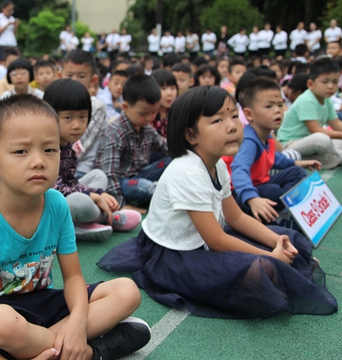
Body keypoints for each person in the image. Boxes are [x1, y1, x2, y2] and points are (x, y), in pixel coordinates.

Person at [97, 85, 338, 319]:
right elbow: (217, 240)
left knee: (289, 237)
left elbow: (236, 217)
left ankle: (277, 269)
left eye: (234, 116)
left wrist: (275, 241)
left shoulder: (217, 163)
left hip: (207, 241)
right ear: (191, 134)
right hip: (176, 255)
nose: (233, 126)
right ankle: (274, 273)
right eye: (217, 121)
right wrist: (271, 257)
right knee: (262, 268)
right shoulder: (187, 171)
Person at [0, 93, 151, 360]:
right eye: (21, 151)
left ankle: (46, 350)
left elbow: (74, 277)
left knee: (127, 291)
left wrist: (77, 320)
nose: (39, 160)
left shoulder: (56, 204)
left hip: (43, 304)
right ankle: (89, 353)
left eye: (50, 149)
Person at [43, 79, 142, 242]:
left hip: (62, 197)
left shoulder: (68, 145)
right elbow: (52, 189)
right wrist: (91, 195)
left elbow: (70, 182)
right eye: (68, 118)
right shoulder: (45, 148)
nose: (77, 125)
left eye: (82, 117)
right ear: (49, 116)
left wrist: (97, 192)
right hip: (45, 208)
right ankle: (104, 217)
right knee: (78, 201)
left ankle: (86, 220)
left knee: (98, 175)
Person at [232, 78, 320, 223]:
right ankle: (270, 211)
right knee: (274, 191)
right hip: (240, 193)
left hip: (260, 184)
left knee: (297, 173)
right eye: (269, 106)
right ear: (248, 114)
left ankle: (285, 208)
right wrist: (252, 198)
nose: (277, 110)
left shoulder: (267, 135)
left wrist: (296, 163)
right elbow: (239, 169)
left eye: (280, 105)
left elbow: (273, 157)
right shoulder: (249, 141)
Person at [95, 74, 170, 211]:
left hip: (141, 175)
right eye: (143, 114)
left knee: (170, 160)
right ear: (125, 107)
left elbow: (166, 147)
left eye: (154, 112)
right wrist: (122, 205)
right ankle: (167, 191)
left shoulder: (147, 129)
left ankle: (164, 189)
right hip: (124, 183)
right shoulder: (115, 133)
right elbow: (109, 175)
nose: (149, 118)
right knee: (142, 187)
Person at [276, 57, 342, 169]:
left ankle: (330, 158)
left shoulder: (326, 99)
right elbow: (315, 129)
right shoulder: (307, 99)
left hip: (309, 141)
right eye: (325, 82)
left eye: (334, 82)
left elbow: (335, 123)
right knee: (322, 139)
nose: (330, 86)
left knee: (337, 142)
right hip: (290, 144)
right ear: (311, 84)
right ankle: (335, 157)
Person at [60, 50, 107, 180]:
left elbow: (80, 147)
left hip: (81, 170)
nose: (74, 81)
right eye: (69, 75)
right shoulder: (56, 101)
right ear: (60, 75)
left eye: (81, 76)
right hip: (55, 167)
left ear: (93, 80)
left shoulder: (96, 107)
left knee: (99, 179)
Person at [150, 69, 177, 139]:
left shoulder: (178, 114)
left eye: (173, 88)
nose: (169, 93)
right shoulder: (149, 117)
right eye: (163, 88)